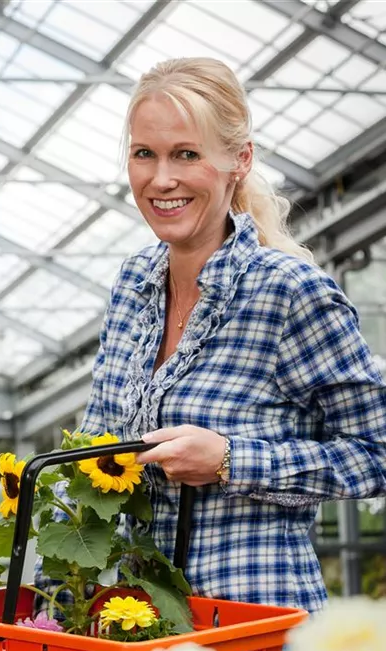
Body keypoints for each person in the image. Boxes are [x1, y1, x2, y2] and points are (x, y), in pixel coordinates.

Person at [37, 57, 386, 615]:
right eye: (144, 154)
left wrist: (230, 460)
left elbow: (376, 453)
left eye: (186, 154)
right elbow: (93, 452)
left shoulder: (288, 291)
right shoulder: (133, 285)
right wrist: (47, 601)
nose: (161, 179)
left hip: (254, 624)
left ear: (238, 161)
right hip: (141, 628)